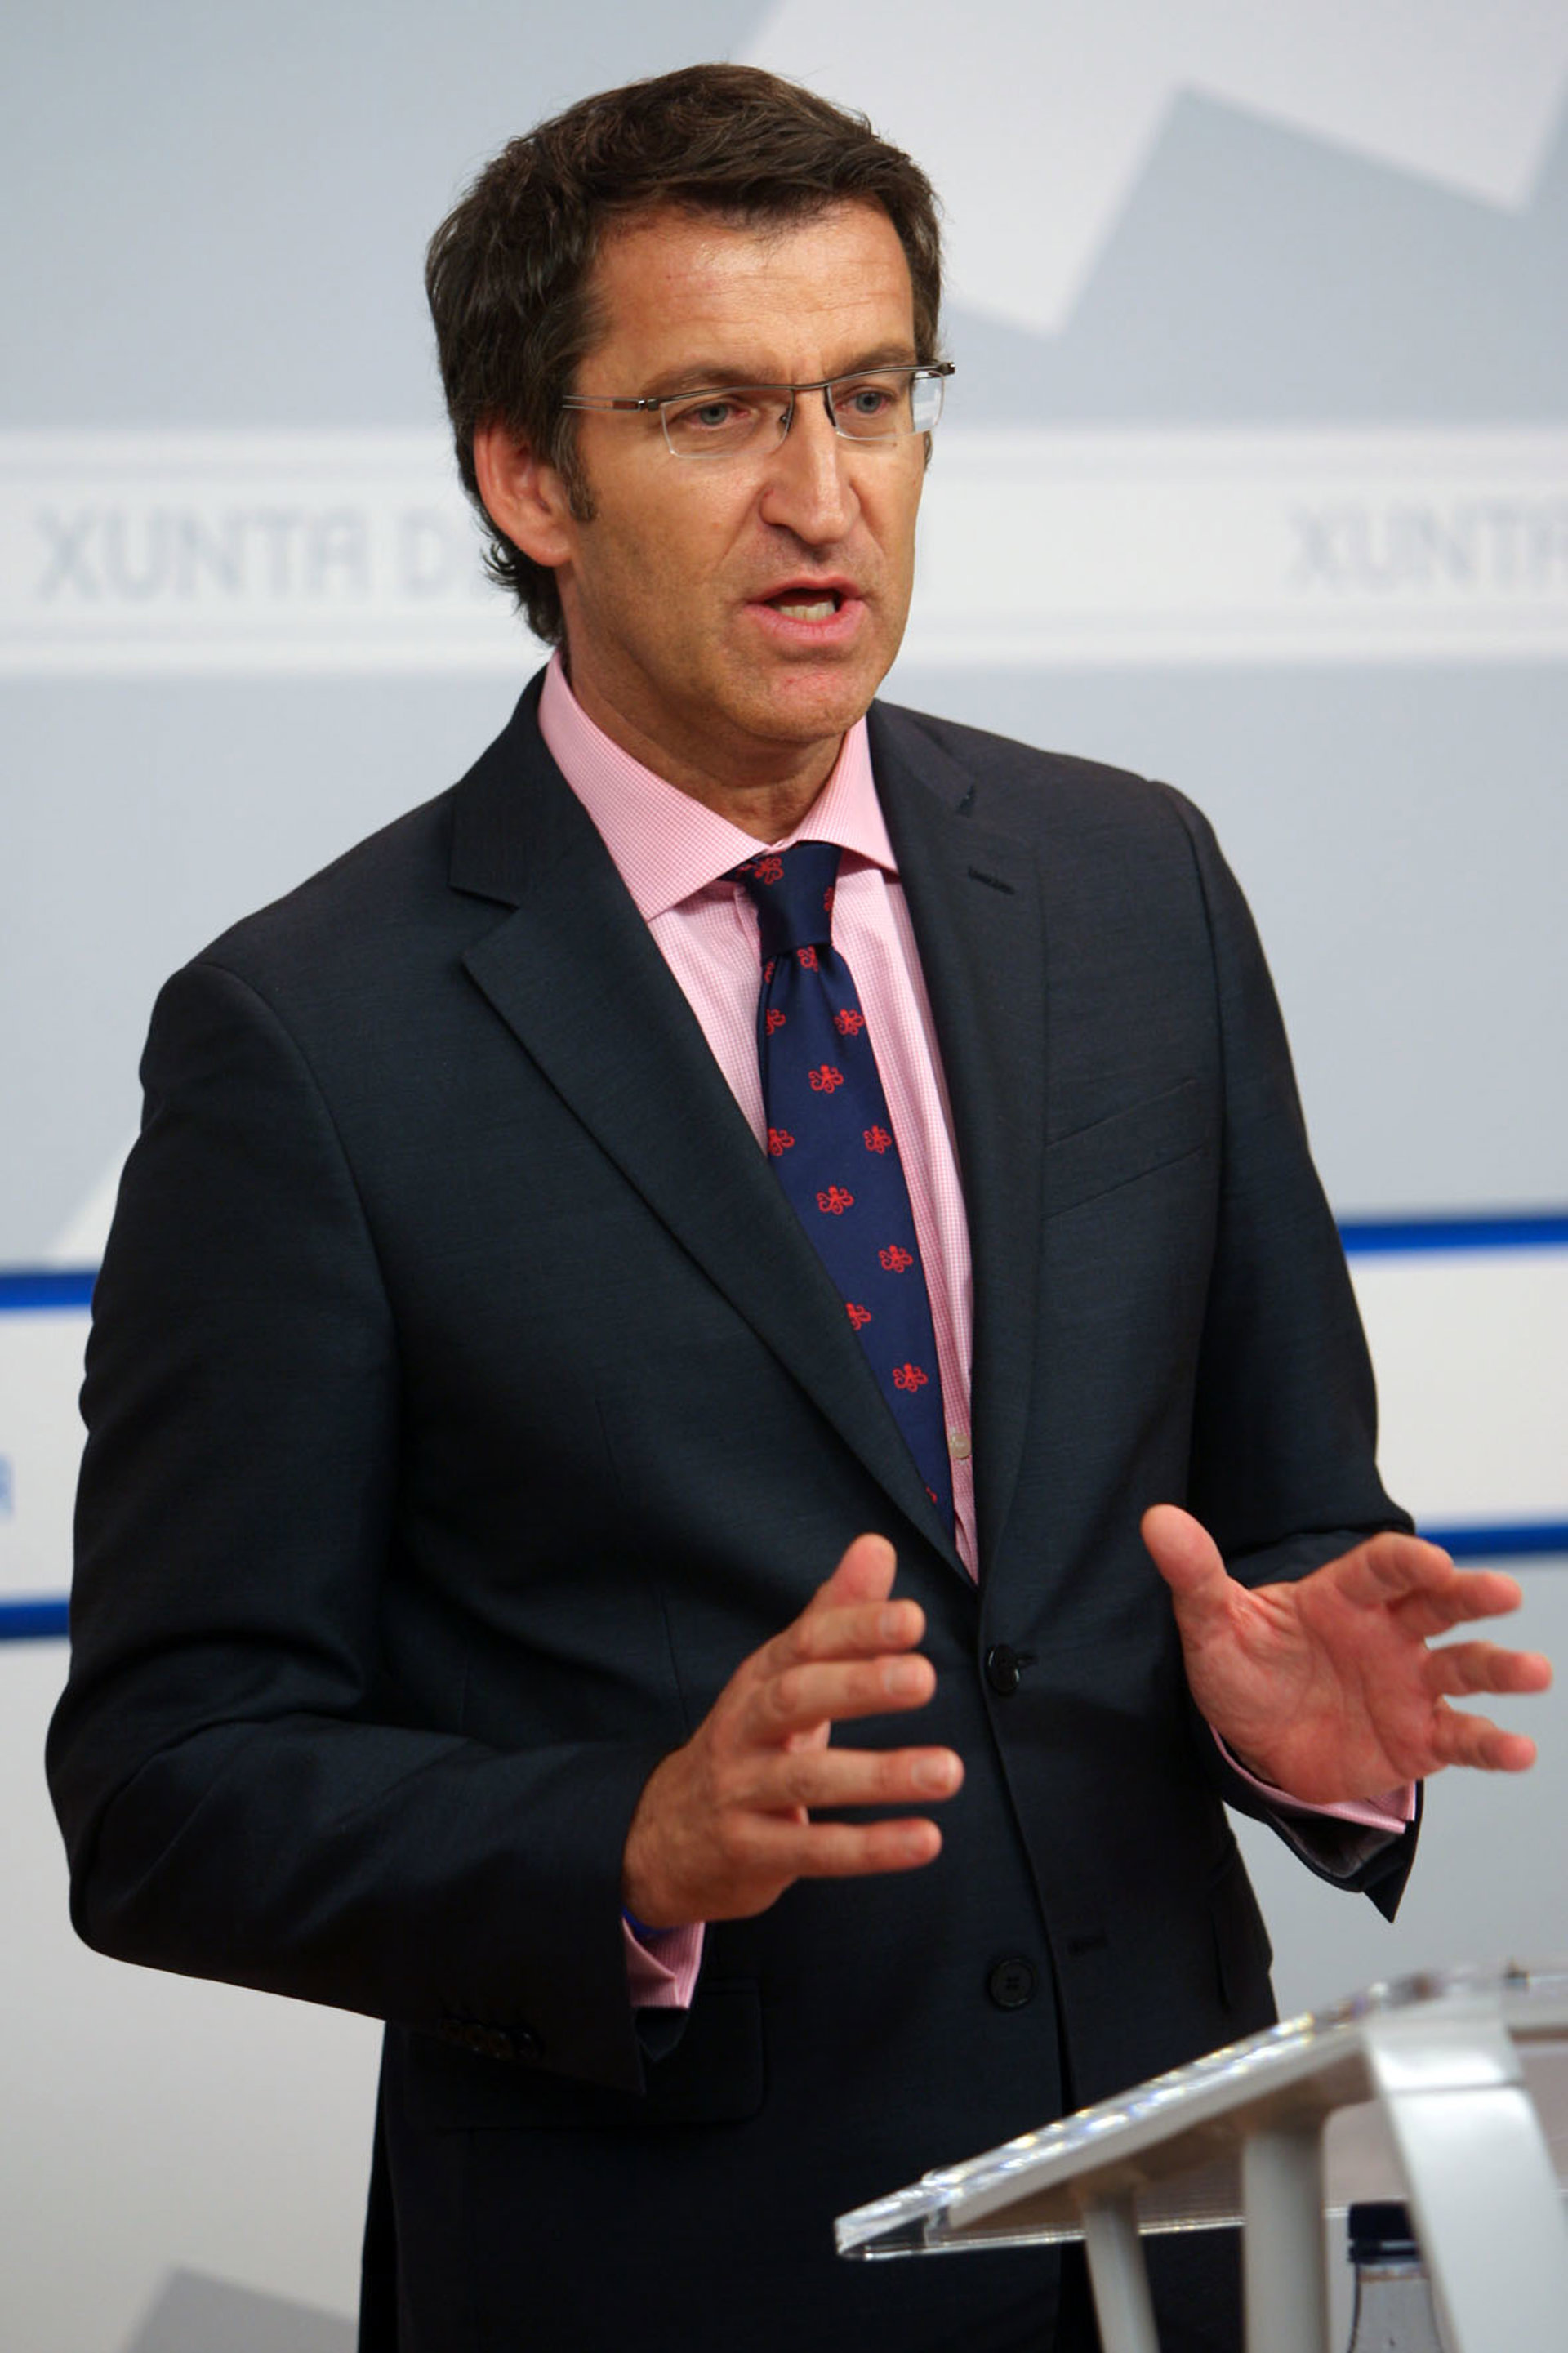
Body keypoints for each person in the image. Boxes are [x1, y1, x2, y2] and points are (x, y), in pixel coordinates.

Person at [47, 63, 1548, 2353]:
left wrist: (1291, 1726)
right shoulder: (309, 1038)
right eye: (717, 412)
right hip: (670, 2281)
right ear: (526, 477)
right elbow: (169, 1789)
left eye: (870, 394)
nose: (822, 491)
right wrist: (628, 1843)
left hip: (1185, 2250)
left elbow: (1274, 1533)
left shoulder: (1134, 885)